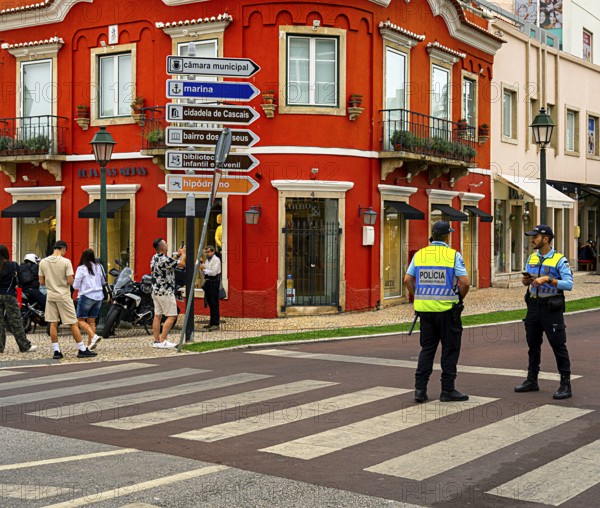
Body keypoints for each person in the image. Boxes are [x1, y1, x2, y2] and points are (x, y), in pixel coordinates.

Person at [403, 221, 470, 403]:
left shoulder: (420, 254)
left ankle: (420, 390)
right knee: (450, 349)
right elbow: (465, 282)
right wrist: (458, 300)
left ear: (433, 235)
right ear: (447, 236)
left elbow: (408, 279)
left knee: (427, 350)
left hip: (425, 311)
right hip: (447, 311)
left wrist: (418, 295)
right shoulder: (452, 255)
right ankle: (447, 390)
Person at [516, 225, 573, 399]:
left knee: (558, 345)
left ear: (546, 239)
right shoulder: (532, 258)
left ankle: (565, 384)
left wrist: (548, 279)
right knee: (533, 345)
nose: (532, 240)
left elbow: (569, 284)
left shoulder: (559, 260)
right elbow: (528, 283)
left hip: (551, 308)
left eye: (535, 237)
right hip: (533, 307)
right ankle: (531, 380)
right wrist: (526, 281)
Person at [39, 240, 96, 359]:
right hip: (64, 296)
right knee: (72, 323)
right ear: (63, 249)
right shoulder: (66, 262)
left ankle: (56, 351)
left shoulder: (43, 262)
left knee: (53, 323)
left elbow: (41, 282)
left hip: (50, 296)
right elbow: (70, 281)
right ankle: (81, 349)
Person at [0, 244, 38, 354]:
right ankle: (24, 346)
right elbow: (21, 280)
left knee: (0, 323)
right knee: (16, 321)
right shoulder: (13, 265)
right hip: (9, 295)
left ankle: (0, 347)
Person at [150, 238, 186, 348]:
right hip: (165, 291)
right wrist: (183, 254)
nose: (167, 245)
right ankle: (163, 340)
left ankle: (156, 341)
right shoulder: (164, 260)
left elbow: (170, 262)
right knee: (172, 316)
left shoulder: (155, 257)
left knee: (157, 316)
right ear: (162, 248)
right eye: (165, 244)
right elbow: (181, 264)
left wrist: (177, 254)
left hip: (156, 291)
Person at [73, 249, 103, 350]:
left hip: (86, 296)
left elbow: (76, 285)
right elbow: (103, 281)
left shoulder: (81, 268)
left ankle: (93, 336)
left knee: (80, 320)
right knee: (92, 321)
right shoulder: (99, 267)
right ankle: (90, 344)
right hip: (99, 296)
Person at [201, 245, 222, 332]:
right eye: (206, 252)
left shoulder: (216, 260)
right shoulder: (207, 260)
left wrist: (204, 270)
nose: (207, 253)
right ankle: (211, 321)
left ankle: (216, 323)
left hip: (214, 282)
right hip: (208, 282)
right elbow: (204, 272)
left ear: (213, 251)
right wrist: (202, 266)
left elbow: (213, 272)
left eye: (209, 252)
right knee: (210, 302)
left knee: (214, 303)